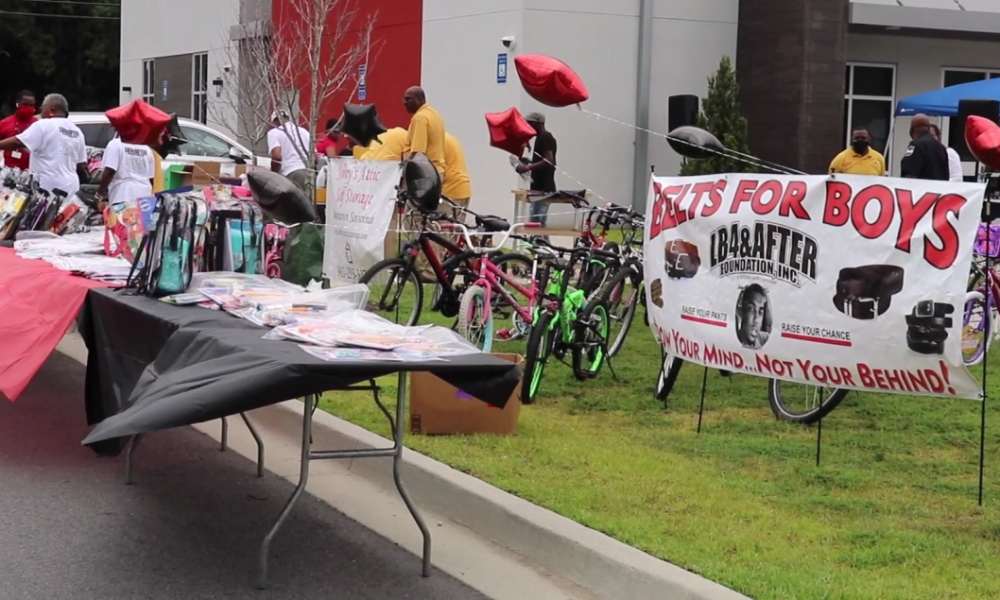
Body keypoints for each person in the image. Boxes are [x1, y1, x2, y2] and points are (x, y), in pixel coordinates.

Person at [0, 93, 87, 198]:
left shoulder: (44, 125)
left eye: (43, 108)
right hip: (72, 187)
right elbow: (81, 165)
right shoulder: (77, 131)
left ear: (52, 109)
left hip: (48, 187)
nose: (41, 112)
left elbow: (18, 142)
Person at [516, 112, 557, 227]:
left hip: (543, 190)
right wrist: (529, 161)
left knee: (537, 224)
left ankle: (541, 244)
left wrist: (527, 167)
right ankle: (542, 244)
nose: (527, 127)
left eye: (529, 123)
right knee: (537, 225)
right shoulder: (541, 138)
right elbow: (543, 160)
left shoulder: (545, 137)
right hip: (539, 189)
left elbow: (549, 160)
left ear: (537, 123)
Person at [96, 132, 155, 209]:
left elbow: (110, 171)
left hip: (123, 196)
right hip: (145, 199)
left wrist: (99, 195)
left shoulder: (115, 144)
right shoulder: (147, 149)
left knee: (123, 220)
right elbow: (150, 179)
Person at [403, 86, 446, 174]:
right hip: (437, 171)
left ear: (421, 100)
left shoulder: (420, 118)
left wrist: (405, 169)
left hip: (424, 173)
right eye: (404, 99)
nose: (405, 102)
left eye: (409, 99)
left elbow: (418, 152)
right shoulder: (434, 114)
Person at [267, 110, 312, 191]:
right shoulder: (304, 132)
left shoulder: (274, 133)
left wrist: (274, 175)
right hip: (309, 175)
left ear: (274, 122)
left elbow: (277, 157)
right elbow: (315, 158)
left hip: (290, 175)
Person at [901, 114, 950, 181]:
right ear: (928, 128)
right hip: (938, 190)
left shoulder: (916, 145)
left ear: (912, 130)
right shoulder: (941, 147)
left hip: (920, 189)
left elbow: (910, 173)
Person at [0, 90, 37, 170]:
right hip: (9, 171)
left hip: (31, 171)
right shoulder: (4, 123)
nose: (28, 108)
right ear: (18, 103)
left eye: (31, 105)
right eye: (25, 105)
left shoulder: (38, 125)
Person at [735, 284, 772, 350]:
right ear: (742, 311)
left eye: (760, 312)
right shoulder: (732, 340)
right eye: (751, 309)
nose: (756, 319)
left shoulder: (761, 338)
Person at [442, 132, 472, 211]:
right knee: (457, 222)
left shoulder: (437, 142)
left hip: (450, 191)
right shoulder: (447, 138)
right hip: (463, 187)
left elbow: (437, 172)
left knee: (443, 223)